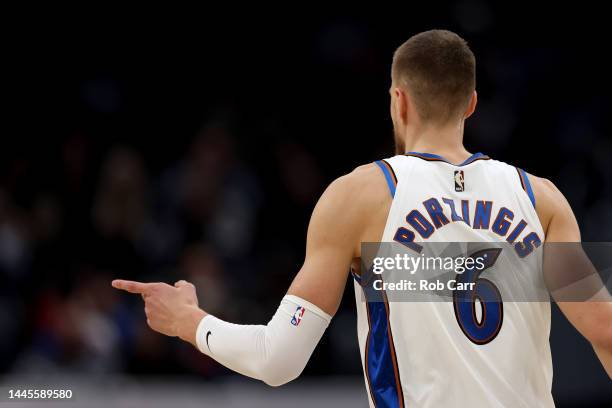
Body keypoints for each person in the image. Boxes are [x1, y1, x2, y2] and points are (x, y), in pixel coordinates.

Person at [112, 30, 612, 407]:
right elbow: (605, 331)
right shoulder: (541, 199)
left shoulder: (362, 197)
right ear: (472, 104)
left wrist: (189, 322)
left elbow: (278, 360)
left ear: (399, 101)